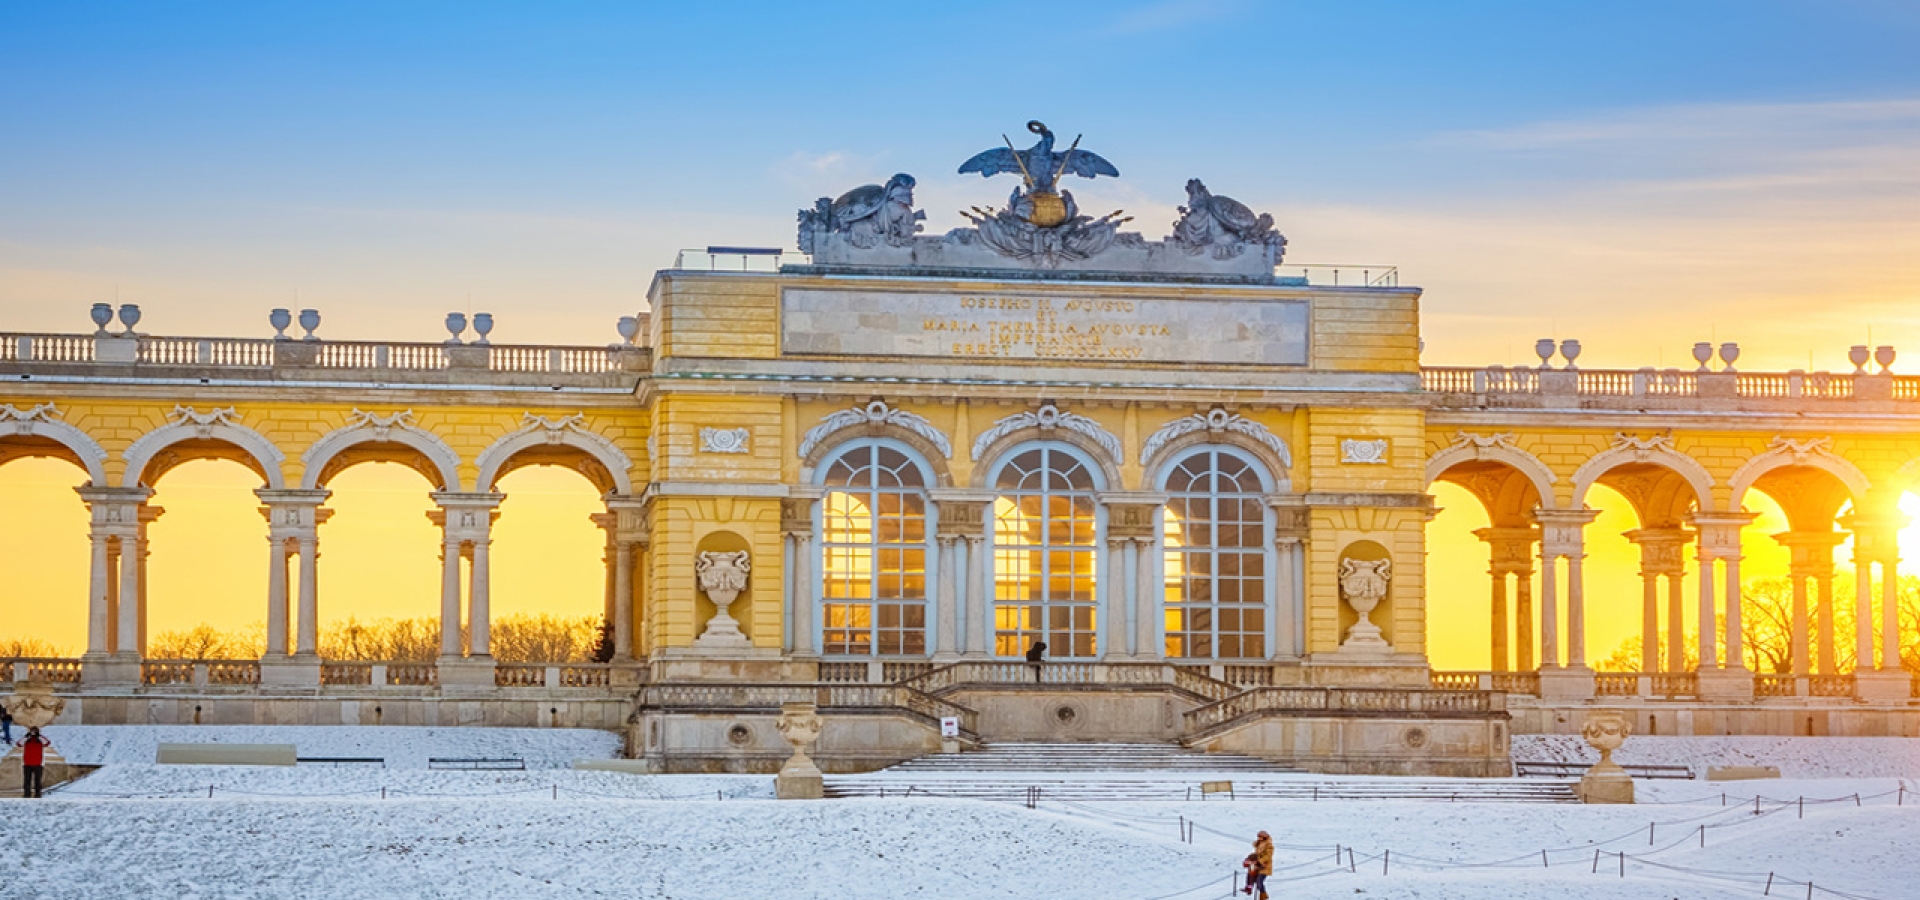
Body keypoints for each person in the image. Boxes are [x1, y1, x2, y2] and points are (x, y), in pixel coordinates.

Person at [1240, 831, 1272, 899]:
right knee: (1250, 874)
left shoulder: (1269, 846)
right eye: (1258, 837)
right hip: (1257, 865)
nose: (1259, 838)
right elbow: (1257, 854)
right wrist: (1250, 858)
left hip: (1264, 866)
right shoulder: (1259, 844)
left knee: (1259, 882)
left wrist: (1259, 861)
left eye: (1260, 837)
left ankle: (1263, 895)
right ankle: (1249, 888)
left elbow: (1268, 856)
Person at [20, 727, 50, 799]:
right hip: (27, 763)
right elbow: (19, 743)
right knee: (27, 780)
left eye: (34, 731)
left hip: (38, 763)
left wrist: (38, 736)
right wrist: (26, 736)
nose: (33, 732)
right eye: (32, 731)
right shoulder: (27, 739)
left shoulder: (40, 739)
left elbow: (47, 743)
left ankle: (37, 794)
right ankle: (27, 794)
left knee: (37, 781)